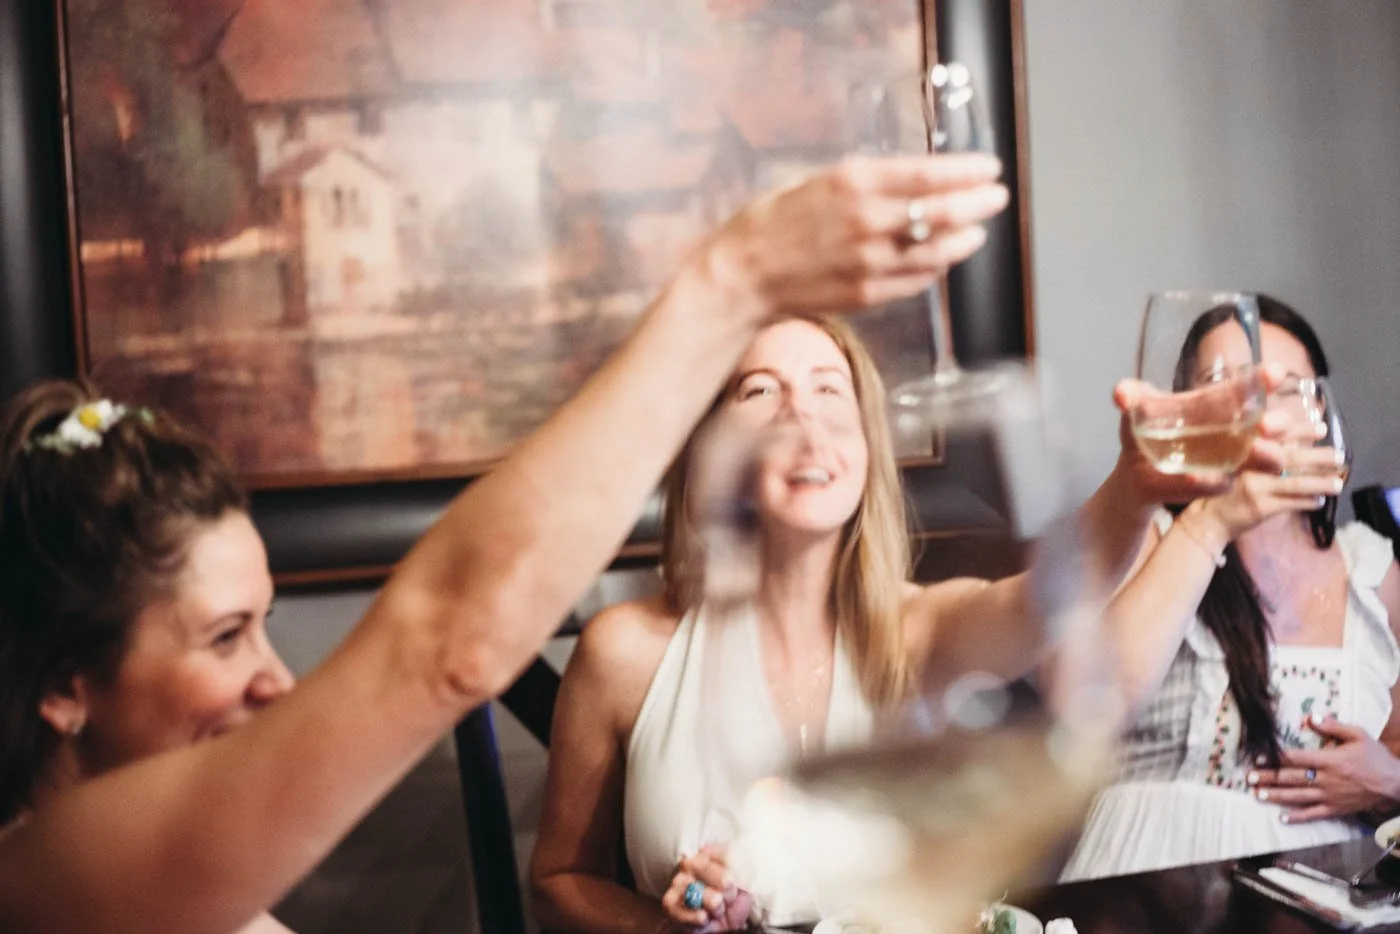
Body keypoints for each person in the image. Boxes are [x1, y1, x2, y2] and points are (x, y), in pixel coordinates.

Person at [0, 152, 1012, 933]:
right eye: (225, 636)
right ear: (65, 685)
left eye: (265, 626)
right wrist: (729, 278)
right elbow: (444, 633)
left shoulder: (201, 905)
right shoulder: (43, 884)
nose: (276, 681)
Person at [529, 302, 1291, 931]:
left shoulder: (917, 631)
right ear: (710, 452)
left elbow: (1043, 605)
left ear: (865, 445)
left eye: (832, 391)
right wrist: (671, 928)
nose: (804, 415)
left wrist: (1135, 486)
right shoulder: (624, 652)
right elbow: (559, 876)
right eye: (759, 392)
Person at [1060, 296, 1400, 881]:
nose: (1260, 410)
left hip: (1329, 886)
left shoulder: (1375, 572)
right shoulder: (1146, 538)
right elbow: (1086, 703)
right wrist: (1212, 520)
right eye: (1228, 385)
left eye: (1288, 387)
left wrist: (1387, 784)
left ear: (1320, 414)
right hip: (1149, 878)